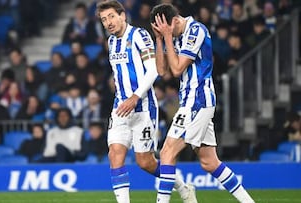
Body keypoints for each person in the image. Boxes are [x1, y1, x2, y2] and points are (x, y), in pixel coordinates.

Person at [150, 4, 255, 203]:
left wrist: (168, 38)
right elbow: (162, 70)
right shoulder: (171, 36)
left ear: (174, 20)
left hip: (197, 100)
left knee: (167, 152)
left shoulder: (196, 30)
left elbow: (178, 69)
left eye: (163, 28)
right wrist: (159, 38)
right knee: (209, 162)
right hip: (191, 101)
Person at [96, 1, 196, 203]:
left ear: (122, 15)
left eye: (111, 17)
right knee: (115, 154)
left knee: (146, 162)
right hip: (120, 108)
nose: (108, 22)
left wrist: (134, 97)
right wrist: (123, 99)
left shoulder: (139, 36)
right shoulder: (111, 43)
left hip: (143, 108)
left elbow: (153, 71)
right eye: (104, 19)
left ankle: (183, 187)